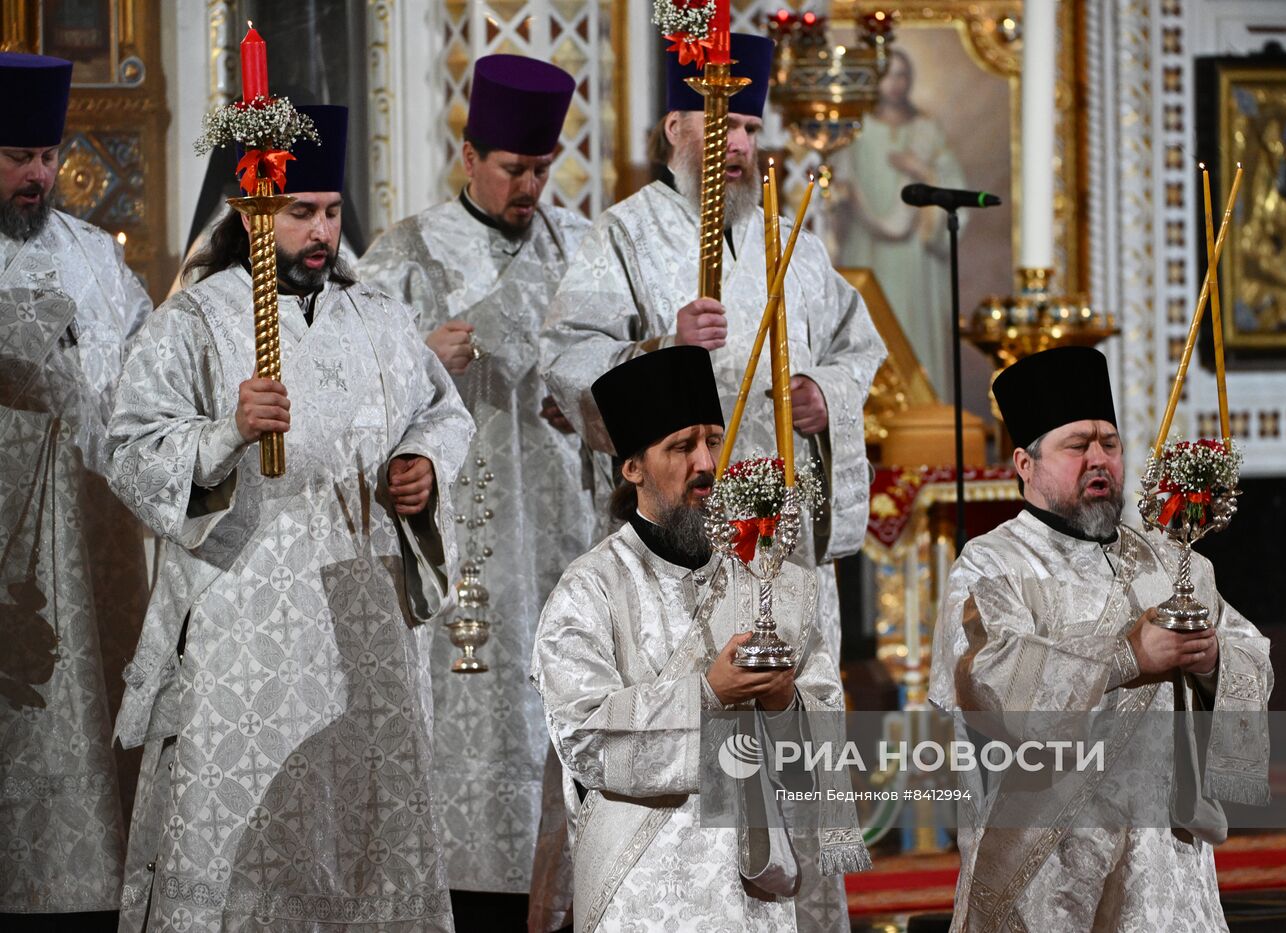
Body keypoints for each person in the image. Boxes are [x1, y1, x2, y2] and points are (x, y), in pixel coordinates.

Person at [104, 104, 474, 932]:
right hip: (245, 617)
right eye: (299, 212)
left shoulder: (377, 314)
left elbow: (440, 412)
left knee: (370, 834)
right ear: (249, 211)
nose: (321, 232)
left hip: (364, 608)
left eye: (332, 211)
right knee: (243, 840)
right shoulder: (193, 323)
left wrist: (419, 468)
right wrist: (226, 432)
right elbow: (131, 450)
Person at [539, 33, 885, 655]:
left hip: (781, 513)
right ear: (675, 127)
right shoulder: (624, 232)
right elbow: (568, 356)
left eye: (752, 128)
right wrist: (665, 345)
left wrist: (823, 394)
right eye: (726, 124)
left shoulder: (793, 240)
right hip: (680, 513)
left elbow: (858, 345)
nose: (743, 146)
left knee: (788, 696)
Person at [358, 54, 592, 931]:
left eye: (542, 169)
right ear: (469, 158)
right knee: (466, 707)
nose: (531, 186)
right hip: (457, 527)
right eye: (514, 169)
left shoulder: (578, 250)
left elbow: (614, 373)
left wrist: (591, 394)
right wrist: (420, 353)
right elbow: (351, 380)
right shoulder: (405, 252)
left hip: (561, 520)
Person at [927, 346, 1273, 931]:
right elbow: (990, 685)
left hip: (1162, 860)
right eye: (1076, 445)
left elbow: (1254, 655)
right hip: (1046, 857)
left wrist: (1214, 659)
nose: (1099, 460)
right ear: (1024, 463)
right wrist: (1128, 657)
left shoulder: (1169, 559)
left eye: (1108, 444)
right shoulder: (991, 566)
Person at [531, 346, 870, 933]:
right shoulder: (590, 589)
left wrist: (782, 702)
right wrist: (707, 693)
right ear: (632, 466)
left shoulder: (777, 588)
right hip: (635, 893)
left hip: (753, 895)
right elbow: (583, 736)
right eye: (681, 447)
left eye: (713, 441)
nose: (706, 463)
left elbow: (822, 754)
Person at [0, 52, 152, 930]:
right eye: (18, 155)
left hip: (93, 537)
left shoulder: (97, 258)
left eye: (48, 157)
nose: (38, 175)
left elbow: (148, 376)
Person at [830, 48, 966, 396]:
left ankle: (924, 408)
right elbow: (835, 185)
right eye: (888, 74)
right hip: (866, 250)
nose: (895, 83)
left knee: (915, 331)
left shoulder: (926, 130)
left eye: (902, 74)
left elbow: (953, 186)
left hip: (913, 258)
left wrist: (923, 172)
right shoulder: (856, 128)